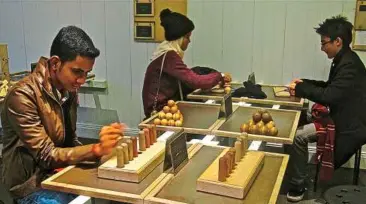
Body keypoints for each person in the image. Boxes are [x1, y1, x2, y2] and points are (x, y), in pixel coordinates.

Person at [1, 26, 125, 203]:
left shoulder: (68, 90)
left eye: (86, 73)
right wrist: (96, 149)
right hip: (30, 184)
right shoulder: (22, 95)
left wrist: (104, 150)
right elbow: (47, 156)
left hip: (56, 172)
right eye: (77, 72)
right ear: (55, 63)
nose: (82, 80)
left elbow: (70, 141)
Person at [287, 16, 366, 202]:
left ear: (338, 41)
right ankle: (293, 170)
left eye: (324, 43)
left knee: (298, 136)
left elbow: (328, 96)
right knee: (295, 117)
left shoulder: (349, 65)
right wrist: (305, 83)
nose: (322, 48)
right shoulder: (344, 60)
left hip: (347, 124)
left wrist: (301, 88)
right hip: (338, 114)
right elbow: (330, 87)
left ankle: (298, 184)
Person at [142, 8, 231, 118]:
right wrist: (219, 76)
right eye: (187, 37)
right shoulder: (169, 57)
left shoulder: (165, 53)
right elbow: (197, 81)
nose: (189, 41)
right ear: (179, 38)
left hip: (166, 107)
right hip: (162, 112)